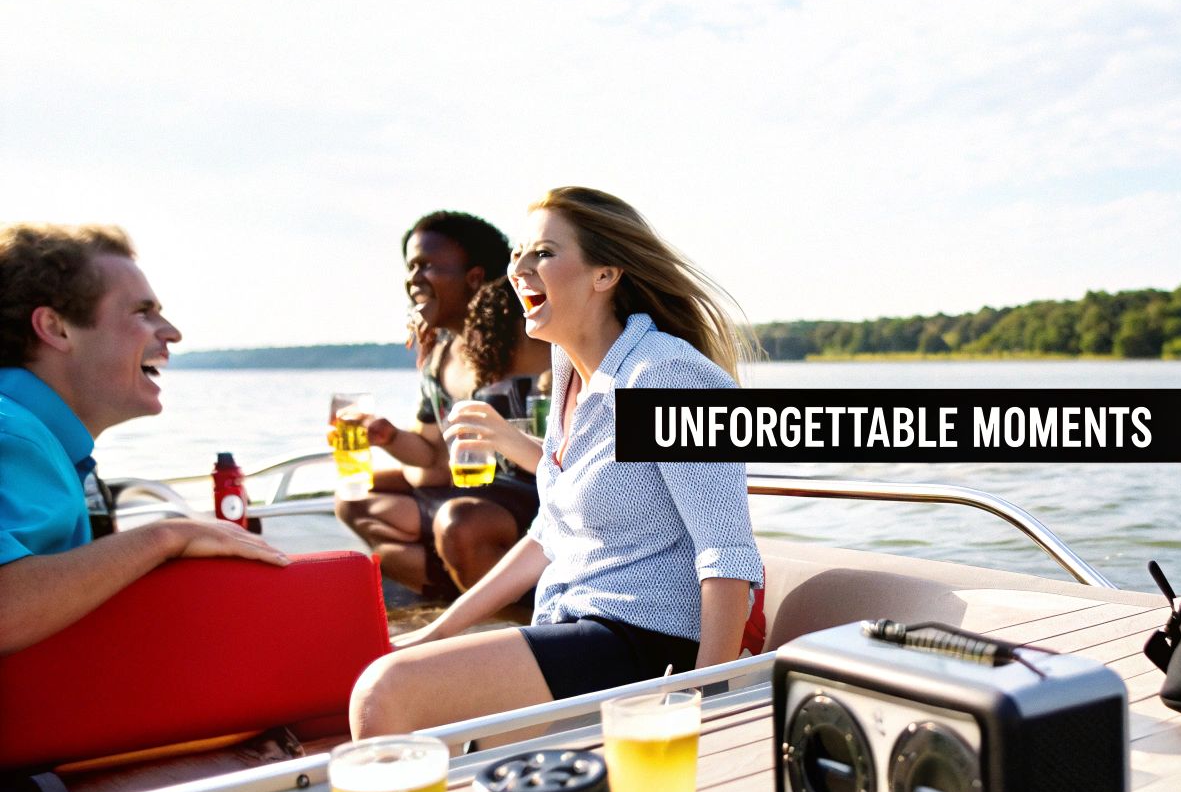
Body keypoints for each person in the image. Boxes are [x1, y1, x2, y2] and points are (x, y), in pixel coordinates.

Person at [349, 188, 763, 738]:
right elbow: (548, 536)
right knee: (458, 739)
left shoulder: (664, 376)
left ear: (605, 274)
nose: (517, 268)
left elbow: (727, 552)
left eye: (542, 252)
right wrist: (439, 632)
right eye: (518, 253)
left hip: (646, 641)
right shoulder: (570, 376)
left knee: (385, 692)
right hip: (572, 625)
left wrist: (703, 701)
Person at [0, 223, 287, 656]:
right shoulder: (12, 434)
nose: (171, 332)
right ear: (56, 328)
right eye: (142, 312)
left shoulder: (35, 437)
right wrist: (166, 537)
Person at [333, 211, 550, 600]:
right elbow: (430, 460)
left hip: (533, 491)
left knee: (459, 522)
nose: (414, 278)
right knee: (353, 497)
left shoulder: (528, 337)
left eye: (428, 266)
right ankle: (462, 581)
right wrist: (388, 435)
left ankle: (507, 604)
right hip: (469, 485)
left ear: (475, 277)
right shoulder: (438, 355)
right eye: (411, 266)